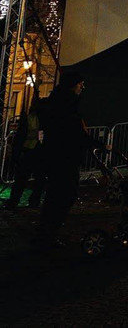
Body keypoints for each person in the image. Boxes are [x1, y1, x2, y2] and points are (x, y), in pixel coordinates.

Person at [36, 72, 102, 245]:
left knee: (57, 194)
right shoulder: (67, 106)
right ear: (73, 86)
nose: (82, 88)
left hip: (57, 155)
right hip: (64, 157)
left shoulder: (58, 103)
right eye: (80, 85)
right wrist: (98, 144)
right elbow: (74, 132)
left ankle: (47, 231)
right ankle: (48, 232)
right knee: (63, 194)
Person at [4, 96, 47, 211]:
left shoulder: (33, 118)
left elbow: (21, 136)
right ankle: (27, 201)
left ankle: (18, 201)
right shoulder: (34, 119)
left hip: (33, 151)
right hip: (31, 151)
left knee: (29, 179)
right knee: (31, 179)